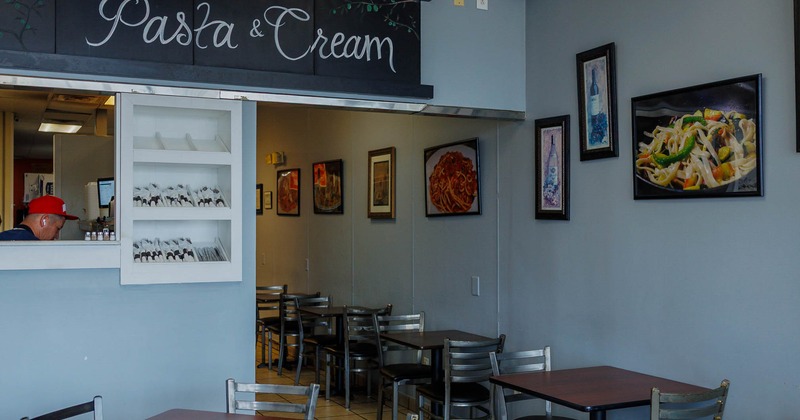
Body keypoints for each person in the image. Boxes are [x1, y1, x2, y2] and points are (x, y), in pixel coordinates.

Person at [0, 195, 78, 241]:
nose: (56, 236)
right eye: (57, 228)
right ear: (44, 220)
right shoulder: (33, 247)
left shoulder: (3, 236)